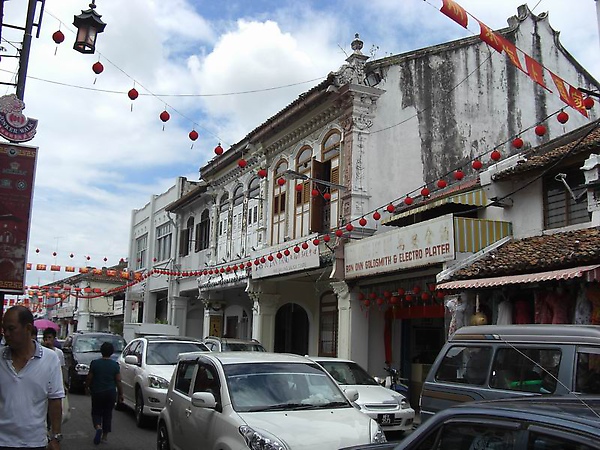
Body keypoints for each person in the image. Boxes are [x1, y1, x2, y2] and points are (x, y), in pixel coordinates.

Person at [0, 305, 64, 450]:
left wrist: (56, 437)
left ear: (28, 328)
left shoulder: (50, 359)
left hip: (34, 442)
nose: (6, 334)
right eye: (4, 330)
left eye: (11, 329)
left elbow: (55, 400)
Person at [85, 342, 124, 445]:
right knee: (108, 413)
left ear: (101, 351)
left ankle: (98, 427)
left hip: (97, 391)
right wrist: (120, 394)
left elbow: (89, 377)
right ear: (111, 352)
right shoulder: (115, 365)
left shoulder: (95, 363)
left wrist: (87, 387)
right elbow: (118, 381)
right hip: (110, 392)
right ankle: (105, 436)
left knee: (96, 411)